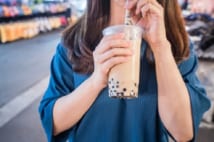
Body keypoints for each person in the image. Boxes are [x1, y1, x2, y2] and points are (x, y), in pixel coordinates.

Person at [39, 0, 211, 142]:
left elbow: (183, 132)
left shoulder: (174, 43)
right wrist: (95, 82)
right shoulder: (75, 41)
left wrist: (160, 47)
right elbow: (53, 122)